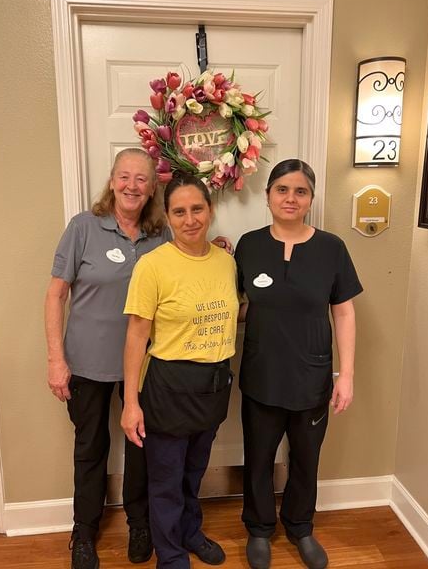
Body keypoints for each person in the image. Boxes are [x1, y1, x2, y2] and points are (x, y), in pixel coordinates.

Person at [45, 149, 231, 569]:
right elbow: (55, 295)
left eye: (142, 179)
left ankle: (140, 524)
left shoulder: (161, 235)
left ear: (151, 190)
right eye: (124, 177)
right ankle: (84, 532)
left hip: (146, 368)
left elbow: (188, 261)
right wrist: (56, 358)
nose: (132, 185)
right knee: (90, 448)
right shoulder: (83, 227)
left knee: (142, 450)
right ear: (112, 181)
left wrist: (216, 248)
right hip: (88, 362)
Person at [234, 159, 363, 569]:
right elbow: (235, 304)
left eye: (300, 191)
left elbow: (344, 311)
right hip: (262, 374)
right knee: (258, 457)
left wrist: (346, 375)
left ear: (310, 199)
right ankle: (259, 529)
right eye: (282, 189)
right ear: (268, 195)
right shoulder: (249, 246)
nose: (291, 198)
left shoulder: (331, 248)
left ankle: (300, 526)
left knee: (306, 459)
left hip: (311, 376)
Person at [121, 173, 239, 569]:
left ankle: (190, 532)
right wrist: (131, 404)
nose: (190, 220)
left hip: (213, 385)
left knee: (193, 472)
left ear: (211, 210)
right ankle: (170, 556)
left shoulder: (226, 262)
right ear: (168, 217)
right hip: (168, 387)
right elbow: (136, 336)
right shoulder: (152, 266)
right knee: (167, 481)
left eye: (197, 209)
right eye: (179, 212)